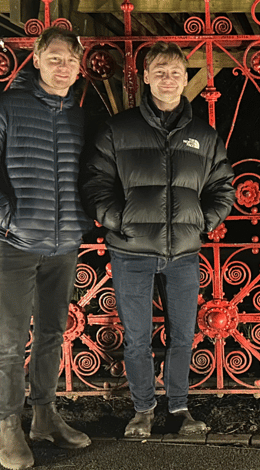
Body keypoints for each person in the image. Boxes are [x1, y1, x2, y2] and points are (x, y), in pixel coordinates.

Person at [81, 41, 235, 438]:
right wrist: (119, 220)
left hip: (183, 252)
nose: (168, 80)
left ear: (186, 79)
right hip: (130, 251)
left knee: (183, 334)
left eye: (176, 73)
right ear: (145, 77)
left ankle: (180, 408)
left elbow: (223, 186)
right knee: (136, 337)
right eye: (160, 72)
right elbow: (96, 182)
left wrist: (202, 223)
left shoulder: (203, 134)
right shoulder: (120, 129)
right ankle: (143, 410)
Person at [0, 26, 93, 470]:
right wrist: (15, 220)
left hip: (63, 246)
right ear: (35, 58)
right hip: (12, 246)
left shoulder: (80, 116)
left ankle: (45, 416)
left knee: (53, 333)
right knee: (12, 341)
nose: (62, 67)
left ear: (79, 66)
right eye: (54, 58)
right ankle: (8, 429)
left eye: (70, 60)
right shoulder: (3, 109)